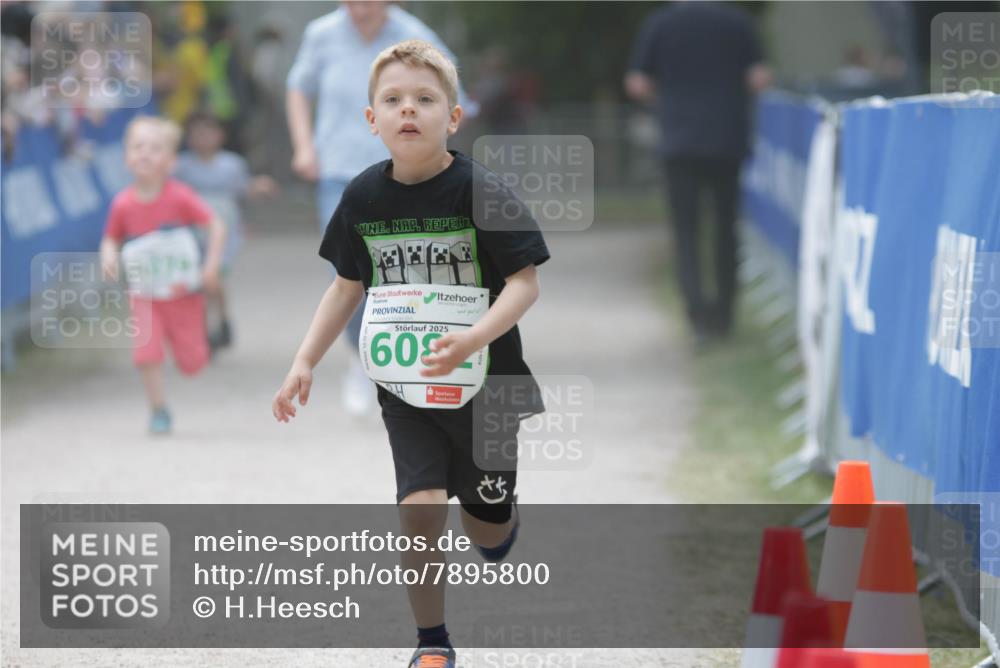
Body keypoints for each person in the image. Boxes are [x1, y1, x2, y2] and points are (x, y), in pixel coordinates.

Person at [272, 40, 548, 668]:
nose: (408, 110)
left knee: (485, 524)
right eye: (393, 100)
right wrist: (304, 360)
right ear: (372, 120)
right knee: (419, 509)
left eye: (425, 99)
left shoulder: (480, 190)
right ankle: (432, 642)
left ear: (454, 117)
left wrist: (474, 337)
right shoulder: (363, 197)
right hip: (407, 385)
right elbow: (345, 287)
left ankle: (500, 522)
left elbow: (524, 283)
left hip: (488, 384)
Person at [286, 0, 474, 416]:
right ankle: (361, 357)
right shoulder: (321, 34)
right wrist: (304, 146)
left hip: (403, 173)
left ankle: (411, 362)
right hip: (339, 170)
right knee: (348, 274)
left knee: (402, 271)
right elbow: (298, 88)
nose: (359, 7)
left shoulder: (413, 35)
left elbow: (452, 90)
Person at [626, 1, 771, 343]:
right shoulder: (737, 23)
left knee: (686, 233)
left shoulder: (661, 24)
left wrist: (668, 96)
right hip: (726, 139)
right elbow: (760, 78)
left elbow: (637, 83)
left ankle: (698, 319)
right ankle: (724, 316)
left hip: (679, 142)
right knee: (725, 229)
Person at [100, 116, 225, 434]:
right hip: (144, 293)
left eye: (155, 148)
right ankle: (158, 409)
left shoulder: (180, 196)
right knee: (147, 351)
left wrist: (210, 266)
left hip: (182, 293)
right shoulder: (122, 204)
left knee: (192, 363)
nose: (145, 153)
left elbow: (215, 225)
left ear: (170, 161)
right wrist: (109, 255)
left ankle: (196, 345)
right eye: (138, 146)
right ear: (126, 156)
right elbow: (111, 237)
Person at [175, 111, 276, 351]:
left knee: (214, 277)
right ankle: (205, 327)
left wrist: (260, 187)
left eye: (208, 132)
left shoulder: (232, 165)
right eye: (197, 133)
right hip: (192, 232)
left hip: (224, 232)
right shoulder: (181, 166)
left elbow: (244, 190)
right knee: (199, 280)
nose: (203, 138)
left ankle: (220, 320)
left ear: (220, 135)